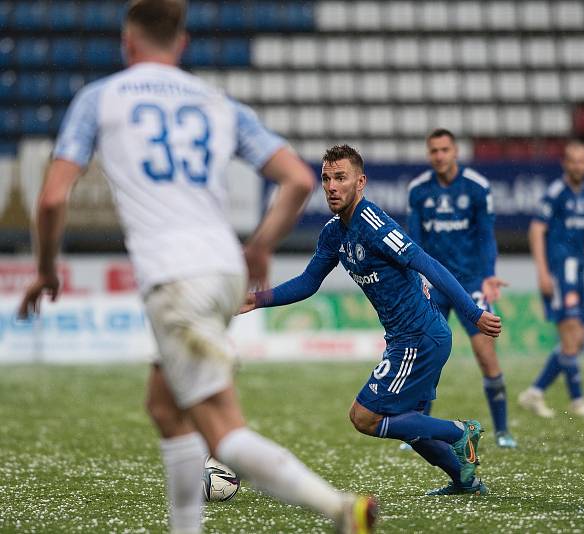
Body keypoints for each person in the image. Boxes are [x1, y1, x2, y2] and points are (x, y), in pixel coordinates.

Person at [17, 1, 377, 532]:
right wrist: (260, 245)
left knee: (221, 428)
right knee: (165, 407)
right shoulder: (217, 101)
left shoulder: (100, 98)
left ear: (128, 43)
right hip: (223, 267)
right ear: (181, 43)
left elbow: (51, 199)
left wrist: (46, 269)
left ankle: (342, 510)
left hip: (174, 274)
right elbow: (298, 179)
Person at [239, 144, 503, 496]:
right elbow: (308, 282)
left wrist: (473, 313)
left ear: (360, 182)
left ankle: (459, 432)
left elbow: (428, 263)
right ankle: (465, 480)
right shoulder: (334, 233)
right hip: (409, 337)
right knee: (410, 423)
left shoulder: (373, 224)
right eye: (326, 179)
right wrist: (257, 299)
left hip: (419, 337)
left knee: (364, 417)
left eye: (340, 178)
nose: (331, 186)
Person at [406, 129, 516, 448]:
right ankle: (417, 426)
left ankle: (503, 430)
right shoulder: (418, 190)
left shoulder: (478, 187)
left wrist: (489, 275)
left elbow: (487, 237)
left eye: (444, 150)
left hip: (470, 283)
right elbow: (414, 241)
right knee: (429, 355)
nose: (439, 156)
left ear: (455, 152)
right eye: (434, 151)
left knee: (485, 353)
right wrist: (418, 281)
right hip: (435, 285)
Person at [518, 140, 584, 418]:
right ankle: (577, 400)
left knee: (579, 339)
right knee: (570, 337)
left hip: (577, 272)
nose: (578, 165)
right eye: (573, 161)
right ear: (565, 164)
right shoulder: (556, 193)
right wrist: (542, 271)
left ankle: (535, 392)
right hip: (559, 272)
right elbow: (536, 230)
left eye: (583, 160)